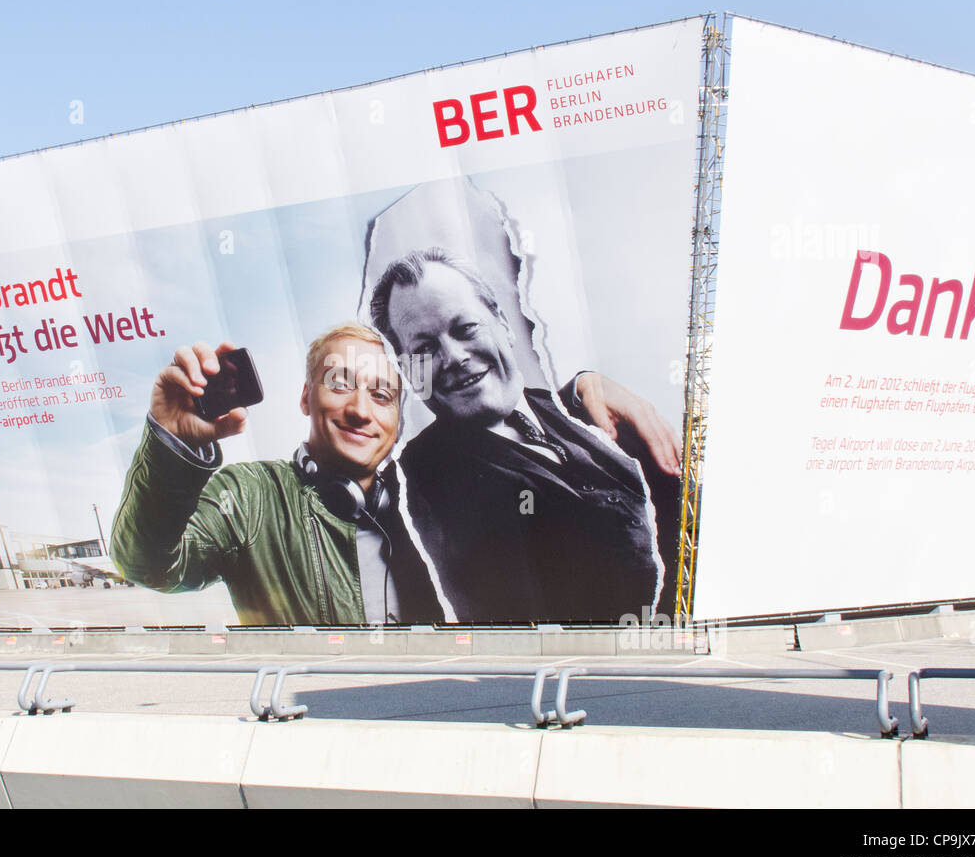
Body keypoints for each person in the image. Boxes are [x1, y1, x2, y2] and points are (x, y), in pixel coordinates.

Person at [369, 247, 678, 623]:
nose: (453, 357)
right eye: (425, 348)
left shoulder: (567, 410)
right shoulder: (418, 479)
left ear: (501, 321)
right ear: (409, 372)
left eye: (465, 329)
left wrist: (584, 385)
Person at [110, 324, 442, 626]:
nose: (359, 410)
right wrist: (171, 447)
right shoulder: (248, 497)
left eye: (382, 396)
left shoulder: (425, 506)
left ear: (398, 421)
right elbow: (146, 565)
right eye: (339, 385)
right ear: (305, 398)